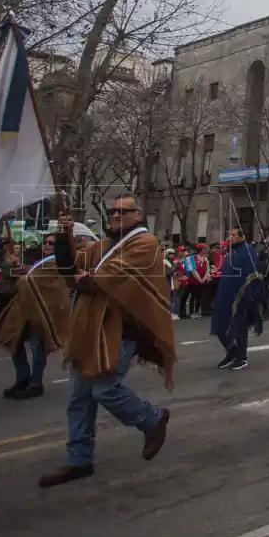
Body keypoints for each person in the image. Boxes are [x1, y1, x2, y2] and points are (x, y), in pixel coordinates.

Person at [39, 195, 174, 488]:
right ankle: (79, 459)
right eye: (112, 211)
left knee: (104, 389)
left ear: (138, 214)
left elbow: (100, 281)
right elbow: (70, 270)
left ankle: (152, 420)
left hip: (120, 330)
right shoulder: (104, 246)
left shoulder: (145, 243)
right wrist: (64, 237)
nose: (115, 215)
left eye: (122, 211)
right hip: (88, 328)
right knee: (78, 398)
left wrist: (86, 278)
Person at [0, 231, 78, 400]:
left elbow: (31, 280)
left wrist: (23, 274)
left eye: (51, 243)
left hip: (45, 312)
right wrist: (18, 267)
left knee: (38, 347)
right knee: (14, 343)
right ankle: (22, 378)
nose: (46, 245)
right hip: (27, 311)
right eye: (45, 242)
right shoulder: (40, 262)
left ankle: (36, 383)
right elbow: (28, 275)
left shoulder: (58, 263)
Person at [211, 228, 264, 370]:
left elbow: (252, 273)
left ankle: (242, 357)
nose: (230, 237)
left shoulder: (248, 250)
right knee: (220, 325)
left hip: (242, 295)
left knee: (240, 326)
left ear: (242, 236)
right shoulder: (231, 251)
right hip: (225, 294)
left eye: (233, 235)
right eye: (230, 235)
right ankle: (231, 352)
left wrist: (249, 293)